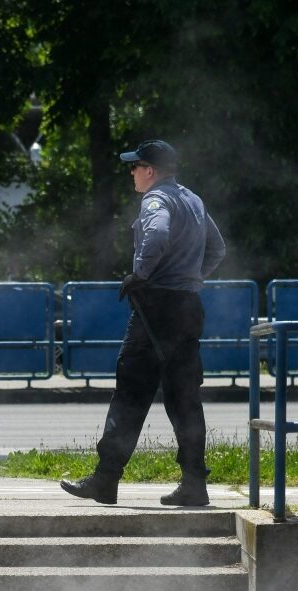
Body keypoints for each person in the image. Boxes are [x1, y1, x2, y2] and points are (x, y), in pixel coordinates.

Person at [61, 139, 226, 507]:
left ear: (150, 170)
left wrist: (141, 274)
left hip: (155, 309)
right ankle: (194, 484)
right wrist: (190, 278)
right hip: (187, 307)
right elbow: (217, 248)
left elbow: (157, 234)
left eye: (135, 166)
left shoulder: (156, 200)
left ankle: (106, 480)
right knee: (185, 397)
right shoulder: (193, 200)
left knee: (131, 393)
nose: (132, 172)